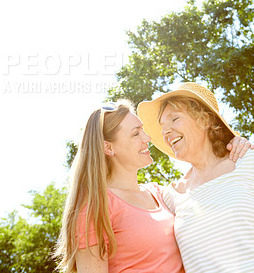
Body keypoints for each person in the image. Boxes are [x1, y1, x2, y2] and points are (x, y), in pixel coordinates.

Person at [55, 97, 250, 273]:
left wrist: (236, 144)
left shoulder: (161, 195)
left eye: (143, 131)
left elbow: (210, 198)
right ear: (108, 147)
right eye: (135, 134)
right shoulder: (95, 206)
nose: (148, 138)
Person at [137, 82, 254, 273]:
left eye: (174, 119)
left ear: (205, 120)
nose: (165, 131)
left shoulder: (247, 162)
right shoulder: (171, 196)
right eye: (162, 127)